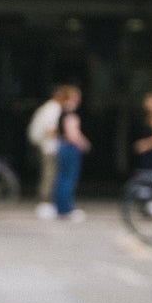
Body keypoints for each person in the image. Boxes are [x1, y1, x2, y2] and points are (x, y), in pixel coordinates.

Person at [53, 85, 90, 220]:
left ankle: (60, 207)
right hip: (69, 148)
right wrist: (83, 143)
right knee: (68, 179)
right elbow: (72, 134)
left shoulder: (62, 111)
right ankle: (65, 209)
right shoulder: (70, 113)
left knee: (61, 177)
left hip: (62, 146)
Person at [27, 85, 65, 218]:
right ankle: (44, 202)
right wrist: (63, 136)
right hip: (49, 146)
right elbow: (50, 129)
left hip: (46, 145)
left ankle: (45, 202)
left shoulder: (48, 107)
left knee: (48, 174)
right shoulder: (53, 108)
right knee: (49, 174)